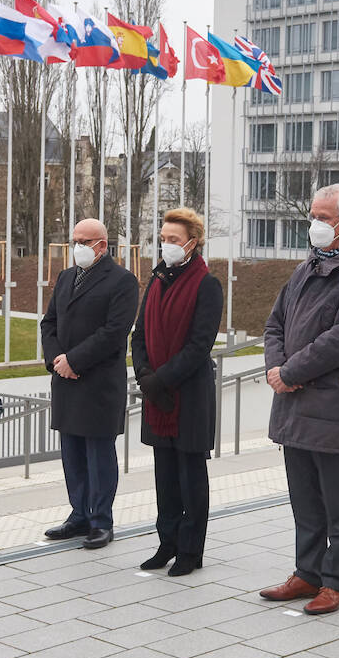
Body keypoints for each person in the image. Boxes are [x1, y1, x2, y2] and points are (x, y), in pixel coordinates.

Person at [257, 183, 339, 615]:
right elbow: (274, 324)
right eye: (312, 216)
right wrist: (278, 369)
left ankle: (336, 581)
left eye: (323, 217)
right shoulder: (305, 268)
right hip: (294, 403)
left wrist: (291, 372)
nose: (314, 224)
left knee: (337, 501)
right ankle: (307, 572)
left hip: (331, 404)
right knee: (304, 497)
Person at [132, 208, 223, 577]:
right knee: (165, 477)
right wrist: (145, 376)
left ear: (192, 242)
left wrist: (160, 380)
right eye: (163, 239)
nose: (166, 245)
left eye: (173, 239)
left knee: (190, 477)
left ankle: (190, 550)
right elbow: (138, 336)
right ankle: (166, 542)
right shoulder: (156, 281)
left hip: (188, 399)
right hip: (158, 397)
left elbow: (199, 346)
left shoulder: (207, 285)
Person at [39, 218, 139, 550]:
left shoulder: (123, 281)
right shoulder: (66, 277)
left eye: (84, 241)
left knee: (98, 456)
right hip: (66, 381)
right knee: (72, 454)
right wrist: (57, 360)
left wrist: (74, 361)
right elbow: (49, 322)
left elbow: (113, 333)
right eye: (74, 240)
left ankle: (101, 521)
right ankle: (78, 515)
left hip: (98, 384)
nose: (78, 247)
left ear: (101, 245)